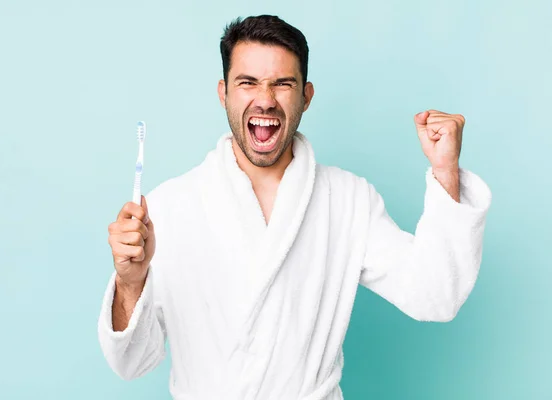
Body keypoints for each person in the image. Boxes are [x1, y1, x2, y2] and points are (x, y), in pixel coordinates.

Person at [98, 15, 492, 400]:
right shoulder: (170, 206)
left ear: (306, 96)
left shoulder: (349, 199)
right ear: (224, 93)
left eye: (282, 84)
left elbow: (436, 294)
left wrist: (445, 171)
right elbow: (131, 363)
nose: (265, 100)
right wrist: (131, 282)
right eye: (248, 82)